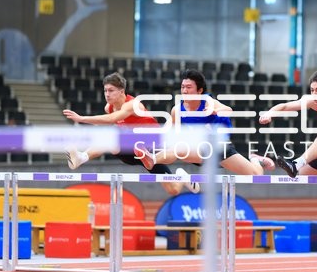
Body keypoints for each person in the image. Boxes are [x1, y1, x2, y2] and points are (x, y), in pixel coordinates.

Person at [62, 72, 195, 195]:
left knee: (173, 190)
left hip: (152, 150)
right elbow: (110, 123)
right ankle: (81, 157)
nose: (107, 94)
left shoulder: (132, 104)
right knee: (111, 138)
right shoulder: (109, 108)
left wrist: (82, 119)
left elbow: (112, 119)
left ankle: (182, 177)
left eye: (111, 91)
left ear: (121, 91)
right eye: (105, 91)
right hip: (133, 151)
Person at [138, 69, 275, 176]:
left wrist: (215, 110)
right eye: (182, 87)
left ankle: (255, 160)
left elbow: (228, 110)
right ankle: (153, 160)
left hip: (220, 148)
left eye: (189, 87)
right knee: (177, 148)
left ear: (200, 91)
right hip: (198, 149)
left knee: (256, 175)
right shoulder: (177, 110)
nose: (184, 91)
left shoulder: (208, 102)